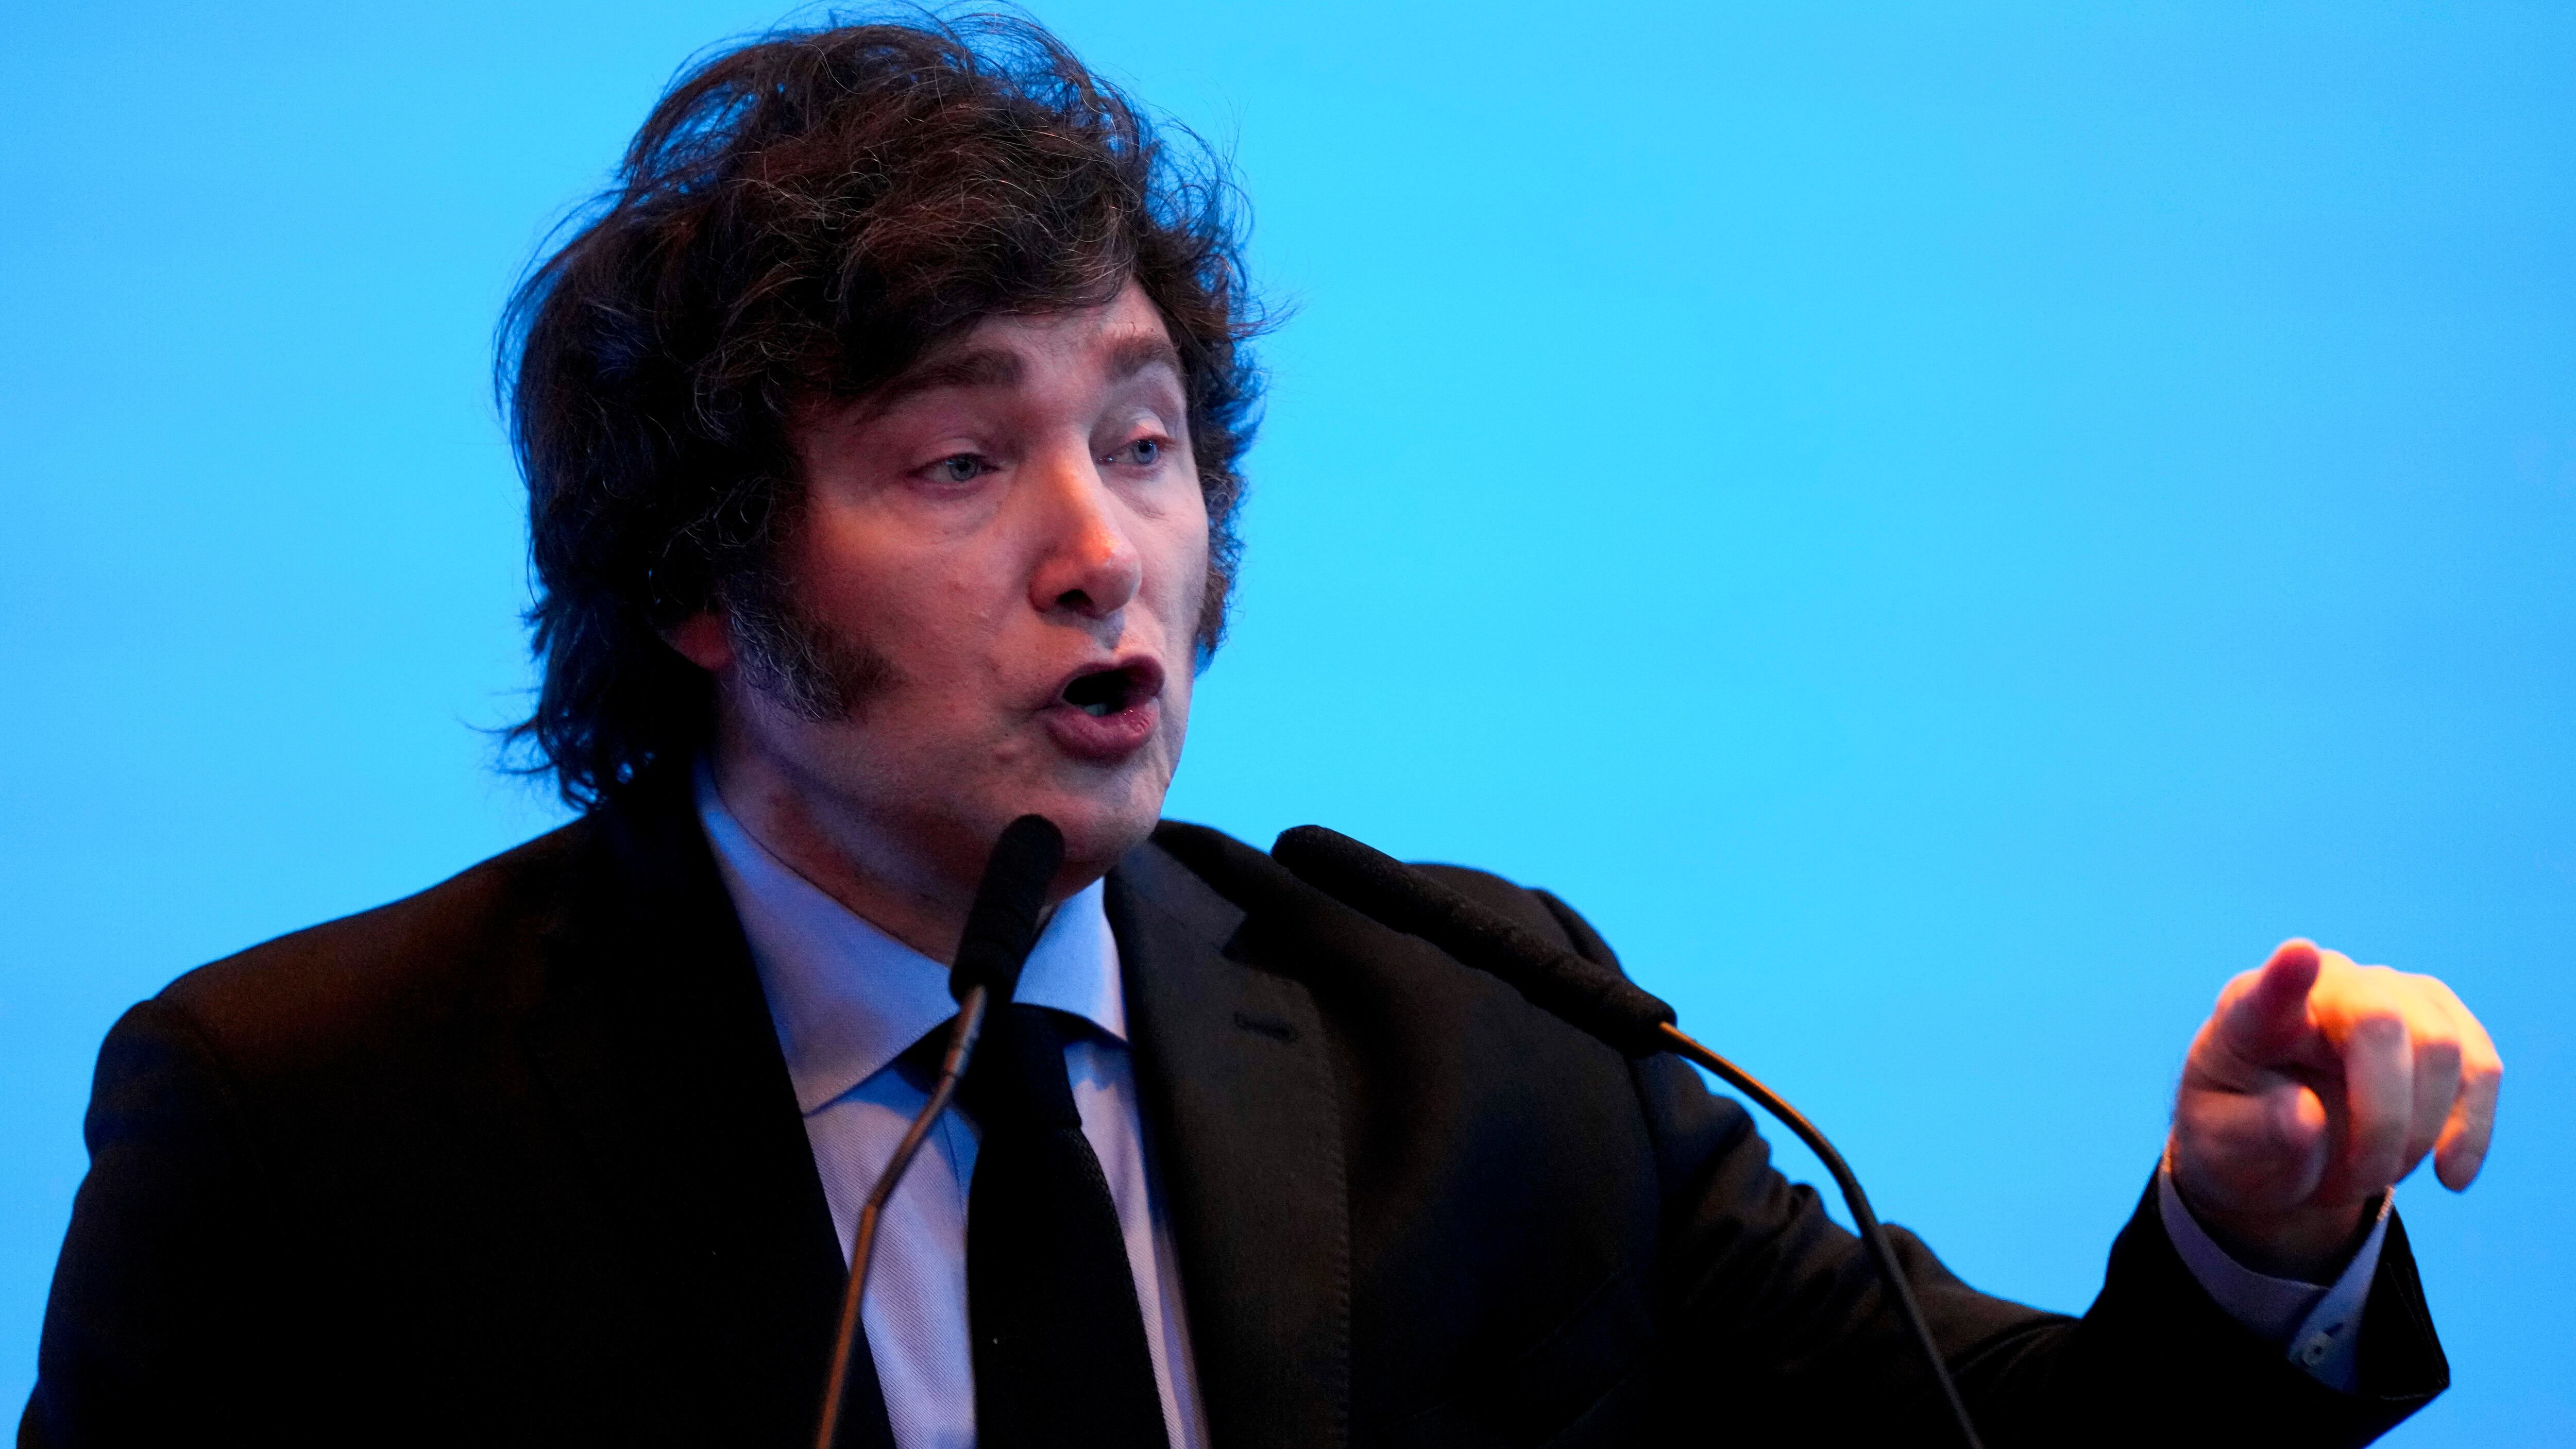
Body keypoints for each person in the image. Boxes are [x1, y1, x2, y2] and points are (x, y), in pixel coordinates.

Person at [20, 14, 2501, 1449]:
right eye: (960, 461)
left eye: (1140, 435)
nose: (1106, 551)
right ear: (692, 577)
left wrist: (2252, 1236)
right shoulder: (310, 1125)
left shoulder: (1480, 1043)